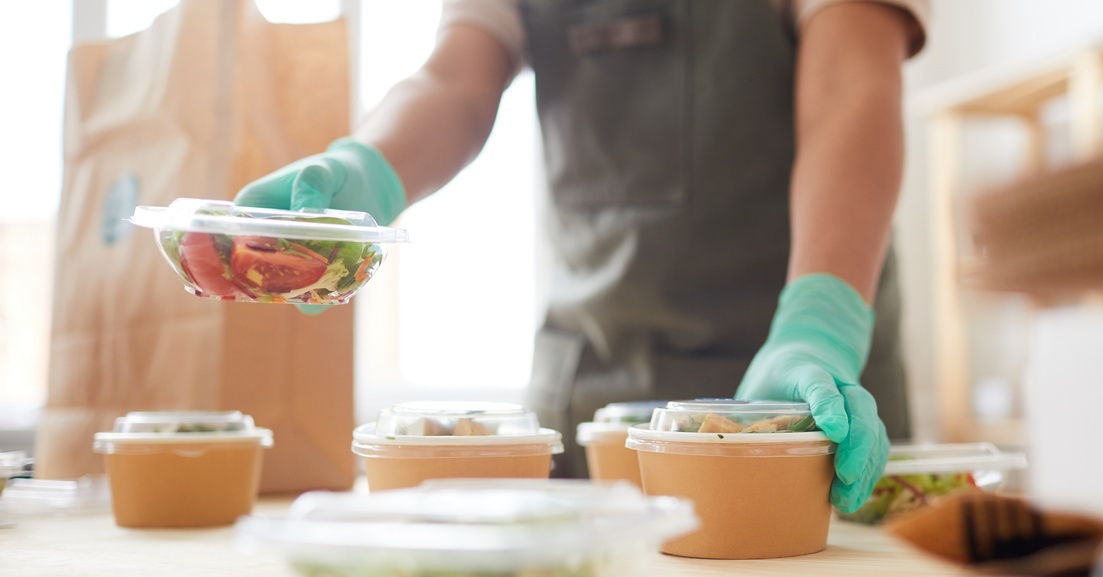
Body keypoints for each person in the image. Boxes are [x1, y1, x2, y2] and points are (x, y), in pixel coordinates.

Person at [234, 0, 928, 513]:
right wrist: (364, 168)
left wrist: (821, 324)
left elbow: (853, 84)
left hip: (806, 404)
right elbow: (456, 79)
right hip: (592, 405)